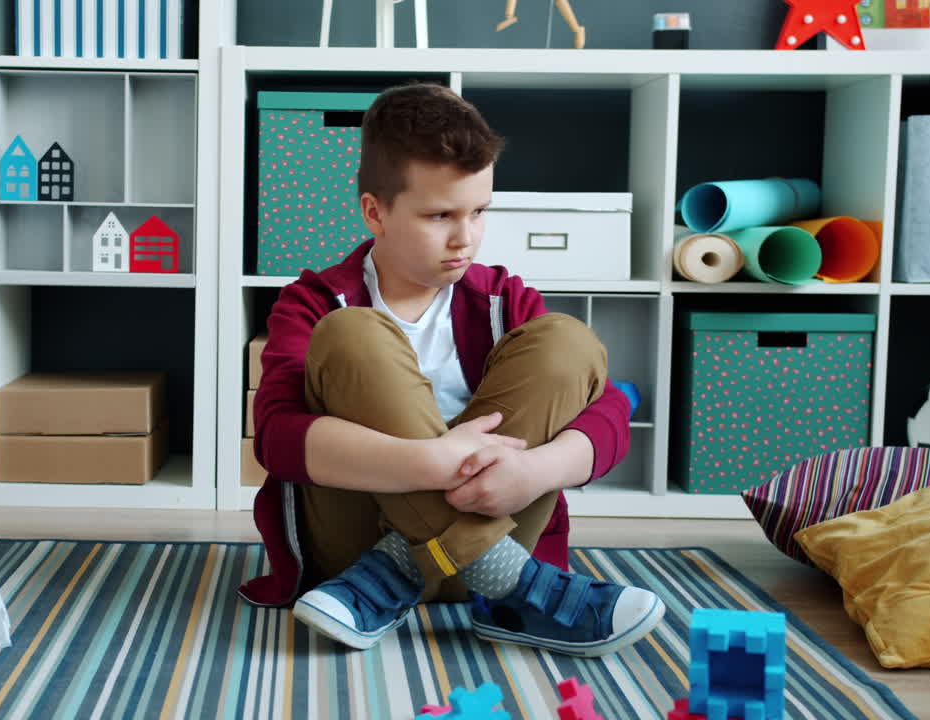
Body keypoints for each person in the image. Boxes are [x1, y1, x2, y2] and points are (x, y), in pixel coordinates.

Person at [238, 82, 663, 655]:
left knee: (568, 340)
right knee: (352, 336)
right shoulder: (315, 303)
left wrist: (537, 472)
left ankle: (401, 574)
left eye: (479, 211)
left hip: (451, 546)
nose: (466, 238)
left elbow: (609, 408)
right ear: (375, 212)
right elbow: (277, 440)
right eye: (440, 215)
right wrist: (428, 462)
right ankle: (520, 589)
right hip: (352, 545)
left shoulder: (502, 298)